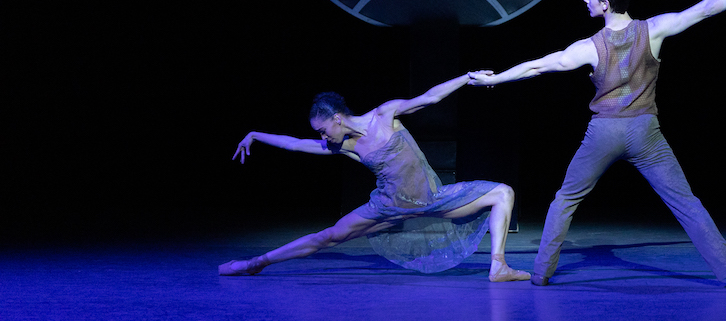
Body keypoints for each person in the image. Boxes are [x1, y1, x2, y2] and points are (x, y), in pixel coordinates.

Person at [470, 0, 726, 288]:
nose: (585, 0)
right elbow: (704, 9)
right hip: (645, 132)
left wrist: (495, 79)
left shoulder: (588, 47)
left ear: (605, 4)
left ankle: (541, 273)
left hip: (604, 134)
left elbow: (537, 66)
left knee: (565, 201)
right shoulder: (654, 30)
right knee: (686, 203)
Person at [219, 72, 530, 282]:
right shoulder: (346, 146)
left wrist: (467, 77)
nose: (323, 138)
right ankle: (255, 263)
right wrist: (254, 135)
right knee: (328, 237)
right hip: (387, 207)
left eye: (323, 130)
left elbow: (429, 98)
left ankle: (498, 265)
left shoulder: (385, 115)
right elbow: (296, 144)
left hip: (434, 199)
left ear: (337, 118)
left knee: (503, 193)